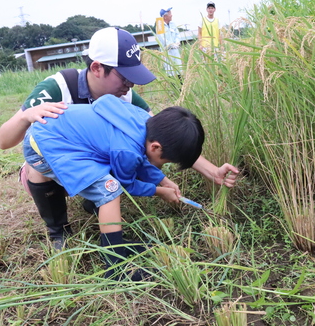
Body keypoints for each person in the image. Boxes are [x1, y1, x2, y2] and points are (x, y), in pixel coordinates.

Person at [0, 27, 238, 252]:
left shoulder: (126, 97)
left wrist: (211, 171)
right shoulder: (57, 87)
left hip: (90, 157)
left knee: (124, 160)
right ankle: (59, 231)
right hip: (48, 156)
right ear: (97, 68)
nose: (130, 85)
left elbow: (166, 137)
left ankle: (95, 205)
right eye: (124, 77)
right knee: (47, 170)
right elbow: (4, 142)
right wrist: (26, 117)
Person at [23, 94, 205, 280]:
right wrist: (159, 191)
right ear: (156, 148)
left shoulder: (144, 122)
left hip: (54, 133)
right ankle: (115, 267)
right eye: (165, 161)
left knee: (111, 172)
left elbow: (140, 158)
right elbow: (127, 184)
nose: (163, 165)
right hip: (45, 147)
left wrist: (162, 180)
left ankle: (95, 209)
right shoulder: (127, 150)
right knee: (110, 190)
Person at [157, 7, 182, 77]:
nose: (171, 15)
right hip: (167, 52)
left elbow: (177, 34)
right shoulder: (159, 26)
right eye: (170, 14)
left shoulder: (173, 24)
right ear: (165, 16)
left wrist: (177, 42)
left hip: (175, 51)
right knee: (170, 72)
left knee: (179, 71)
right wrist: (171, 45)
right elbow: (162, 39)